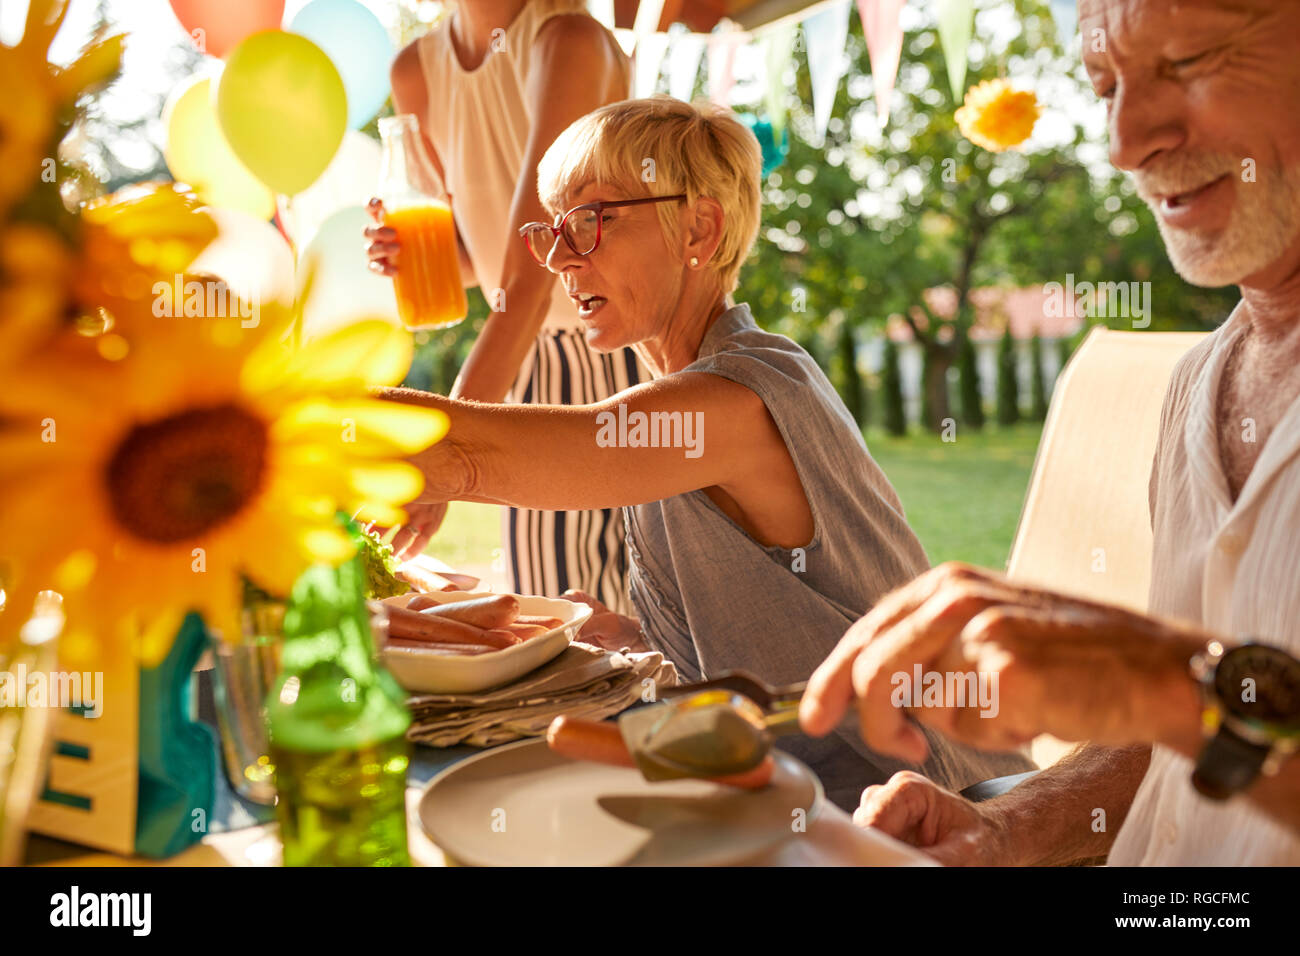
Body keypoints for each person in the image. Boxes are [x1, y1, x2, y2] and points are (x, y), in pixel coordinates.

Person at [382, 96, 1033, 811]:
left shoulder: (741, 394)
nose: (561, 258)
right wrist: (621, 634)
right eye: (553, 230)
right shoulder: (686, 395)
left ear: (699, 226)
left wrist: (293, 420)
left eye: (593, 221)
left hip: (941, 807)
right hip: (803, 797)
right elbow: (760, 651)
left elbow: (486, 454)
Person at [799, 0, 1300, 864]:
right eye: (1104, 86)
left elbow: (1190, 697)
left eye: (1186, 60)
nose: (1123, 140)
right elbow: (1172, 729)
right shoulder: (1195, 385)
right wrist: (1009, 824)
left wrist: (1168, 677)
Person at [366, 0, 645, 614]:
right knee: (560, 613)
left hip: (633, 354)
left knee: (646, 620)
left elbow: (535, 273)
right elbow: (483, 258)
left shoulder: (566, 39)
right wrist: (421, 253)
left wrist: (448, 447)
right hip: (534, 361)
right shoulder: (416, 69)